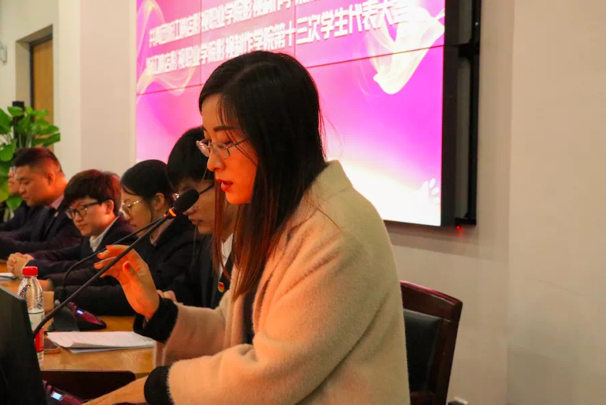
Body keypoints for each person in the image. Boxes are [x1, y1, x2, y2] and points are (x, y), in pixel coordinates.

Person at [88, 51, 410, 404]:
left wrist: (156, 387)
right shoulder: (274, 217)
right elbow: (231, 329)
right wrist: (156, 309)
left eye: (225, 143)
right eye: (209, 143)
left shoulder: (338, 231)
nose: (213, 163)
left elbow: (269, 375)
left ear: (278, 140)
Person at [40, 160, 198, 316]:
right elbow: (109, 276)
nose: (126, 216)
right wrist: (54, 286)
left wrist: (59, 295)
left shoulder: (187, 242)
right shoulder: (146, 237)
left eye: (130, 206)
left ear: (157, 201)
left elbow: (140, 294)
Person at [5, 169, 134, 279]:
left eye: (82, 209)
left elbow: (90, 270)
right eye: (72, 211)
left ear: (108, 206)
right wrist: (30, 257)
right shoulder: (94, 232)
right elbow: (68, 253)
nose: (76, 218)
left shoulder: (123, 236)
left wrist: (31, 266)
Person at [0, 148, 81, 258]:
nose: (21, 190)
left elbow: (53, 249)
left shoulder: (76, 208)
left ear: (49, 178)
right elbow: (25, 235)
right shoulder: (47, 207)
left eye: (25, 183)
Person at [162, 127, 238, 308]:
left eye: (191, 194)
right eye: (180, 196)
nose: (186, 210)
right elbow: (184, 293)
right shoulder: (207, 245)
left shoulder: (261, 250)